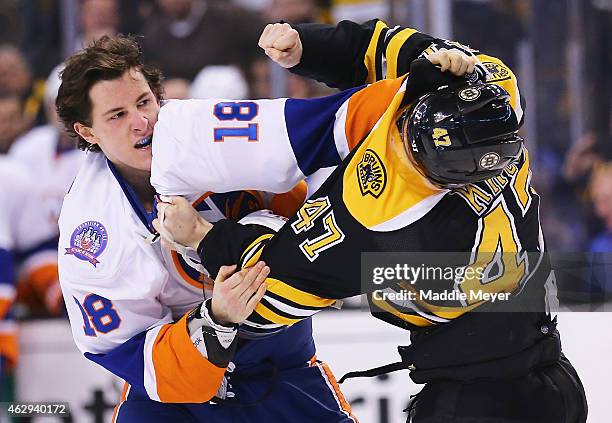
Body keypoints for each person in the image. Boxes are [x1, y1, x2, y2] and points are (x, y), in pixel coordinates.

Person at [151, 20, 588, 423]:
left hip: (474, 400)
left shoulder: (381, 217)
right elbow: (385, 45)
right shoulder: (490, 84)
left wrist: (204, 237)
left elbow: (267, 290)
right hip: (555, 377)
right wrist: (309, 46)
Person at [55, 35, 357, 422]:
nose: (140, 122)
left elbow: (311, 222)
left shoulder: (213, 136)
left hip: (280, 369)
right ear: (87, 132)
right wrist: (216, 320)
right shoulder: (91, 228)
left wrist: (312, 274)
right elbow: (135, 357)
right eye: (116, 115)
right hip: (174, 399)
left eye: (144, 102)